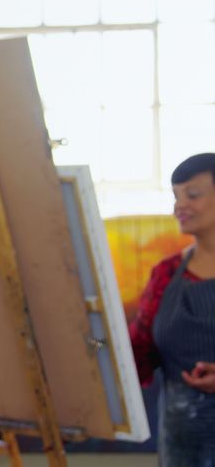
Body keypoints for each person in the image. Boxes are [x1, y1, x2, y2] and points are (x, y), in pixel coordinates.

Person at [130, 152, 215, 465]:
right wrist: (93, 343)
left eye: (192, 195)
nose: (180, 205)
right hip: (181, 445)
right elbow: (137, 348)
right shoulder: (165, 274)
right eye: (176, 196)